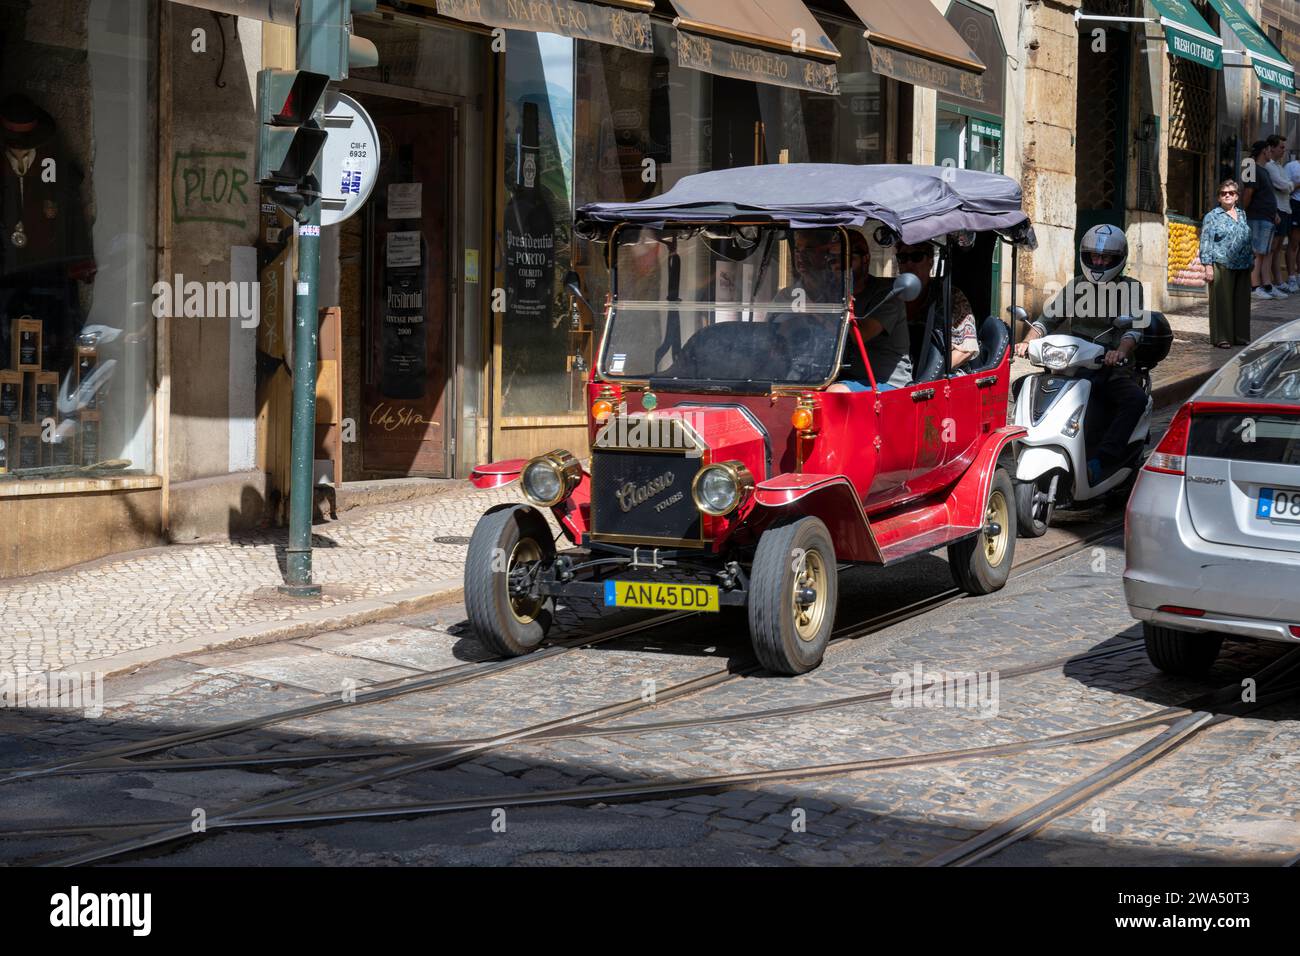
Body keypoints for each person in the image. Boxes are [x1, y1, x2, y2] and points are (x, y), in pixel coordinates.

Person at [1014, 223, 1146, 485]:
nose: (1098, 262)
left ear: (1117, 259)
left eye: (1105, 257)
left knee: (1134, 400)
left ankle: (1102, 461)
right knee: (1022, 387)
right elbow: (1046, 320)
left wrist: (1120, 351)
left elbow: (1134, 329)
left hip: (1111, 367)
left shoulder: (1131, 289)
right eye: (1094, 256)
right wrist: (1026, 342)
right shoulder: (1076, 286)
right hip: (1073, 366)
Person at [829, 230, 912, 390]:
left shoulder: (889, 293)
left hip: (886, 382)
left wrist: (820, 309)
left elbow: (862, 334)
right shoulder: (829, 293)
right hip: (842, 375)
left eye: (847, 259)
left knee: (836, 393)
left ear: (866, 259)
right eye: (833, 260)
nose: (839, 266)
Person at [896, 241, 979, 373]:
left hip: (942, 374)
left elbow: (966, 349)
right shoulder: (890, 295)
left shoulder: (950, 296)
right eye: (902, 258)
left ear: (930, 262)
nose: (909, 264)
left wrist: (928, 376)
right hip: (900, 372)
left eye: (917, 257)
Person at [1199, 179, 1253, 348]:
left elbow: (1246, 237)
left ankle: (1240, 336)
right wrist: (1207, 266)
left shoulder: (1242, 214)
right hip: (1221, 263)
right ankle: (1222, 337)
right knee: (1222, 302)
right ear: (1219, 197)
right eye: (1223, 193)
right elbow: (1206, 241)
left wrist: (1252, 257)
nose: (1227, 195)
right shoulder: (1212, 216)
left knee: (1242, 303)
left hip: (1243, 264)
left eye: (1231, 193)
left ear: (1237, 196)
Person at [1242, 140, 1282, 299]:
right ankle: (1254, 287)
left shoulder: (1264, 170)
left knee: (1266, 253)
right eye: (1268, 149)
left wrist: (1275, 213)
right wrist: (1243, 211)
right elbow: (1248, 192)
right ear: (1263, 151)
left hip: (1267, 217)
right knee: (1257, 252)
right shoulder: (1251, 166)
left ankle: (1267, 285)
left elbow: (1268, 194)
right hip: (1256, 216)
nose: (1270, 152)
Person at [1264, 134, 1292, 296]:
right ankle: (1269, 282)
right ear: (1272, 148)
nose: (1283, 150)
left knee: (1278, 247)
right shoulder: (1270, 167)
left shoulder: (1281, 167)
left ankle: (1278, 280)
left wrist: (1288, 185)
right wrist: (1288, 185)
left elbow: (1287, 185)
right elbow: (1284, 185)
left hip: (1285, 208)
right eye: (1281, 147)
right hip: (1277, 209)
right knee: (1271, 248)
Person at [1286, 147, 1300, 290]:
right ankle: (1291, 277)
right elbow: (1285, 188)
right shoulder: (1291, 166)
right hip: (1296, 205)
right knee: (1294, 242)